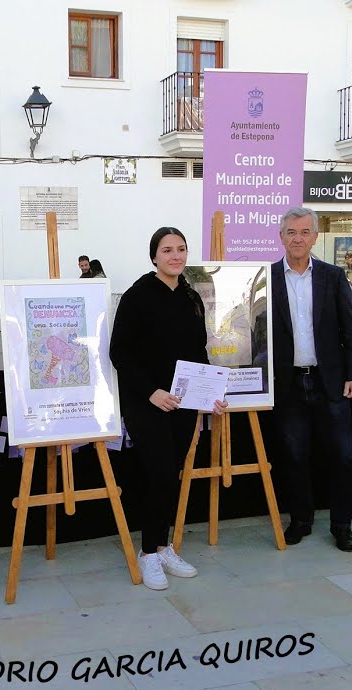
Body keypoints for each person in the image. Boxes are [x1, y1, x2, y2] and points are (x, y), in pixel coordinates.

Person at [110, 227, 227, 591]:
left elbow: (199, 352)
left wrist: (212, 394)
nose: (175, 256)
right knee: (157, 472)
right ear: (154, 256)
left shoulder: (191, 297)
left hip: (185, 402)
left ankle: (162, 547)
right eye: (167, 250)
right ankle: (148, 553)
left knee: (171, 472)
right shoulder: (137, 295)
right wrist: (151, 392)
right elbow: (120, 353)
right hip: (148, 403)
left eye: (181, 249)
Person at [269, 208, 352, 552]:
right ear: (281, 237)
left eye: (304, 232)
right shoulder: (267, 278)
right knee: (294, 455)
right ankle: (301, 520)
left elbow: (351, 328)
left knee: (343, 456)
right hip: (288, 382)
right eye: (291, 232)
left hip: (331, 381)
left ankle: (342, 525)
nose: (297, 238)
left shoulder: (333, 276)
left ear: (315, 237)